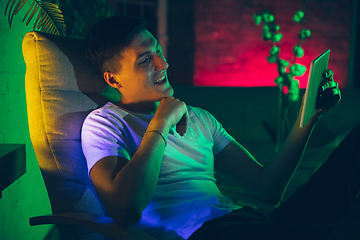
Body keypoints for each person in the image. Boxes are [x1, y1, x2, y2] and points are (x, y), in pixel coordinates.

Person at [81, 15, 358, 240]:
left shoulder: (201, 119)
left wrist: (309, 116)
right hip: (207, 234)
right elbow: (125, 209)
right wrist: (161, 123)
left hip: (251, 222)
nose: (163, 64)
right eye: (144, 59)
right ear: (113, 79)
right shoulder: (105, 123)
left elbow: (268, 188)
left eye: (158, 50)